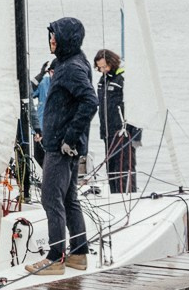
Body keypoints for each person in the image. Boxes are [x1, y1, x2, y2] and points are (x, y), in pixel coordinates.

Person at [33, 17, 96, 275]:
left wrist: (70, 138)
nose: (51, 40)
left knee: (51, 199)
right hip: (62, 144)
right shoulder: (69, 61)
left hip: (60, 147)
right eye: (50, 36)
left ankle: (55, 257)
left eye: (55, 36)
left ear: (65, 39)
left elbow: (90, 101)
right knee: (69, 199)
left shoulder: (72, 67)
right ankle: (79, 253)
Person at [94, 48, 142, 194]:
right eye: (99, 68)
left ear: (111, 62)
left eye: (105, 66)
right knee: (111, 169)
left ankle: (128, 196)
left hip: (123, 132)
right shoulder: (102, 80)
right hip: (108, 132)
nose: (102, 70)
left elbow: (135, 106)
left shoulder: (123, 79)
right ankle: (115, 196)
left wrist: (136, 135)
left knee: (124, 169)